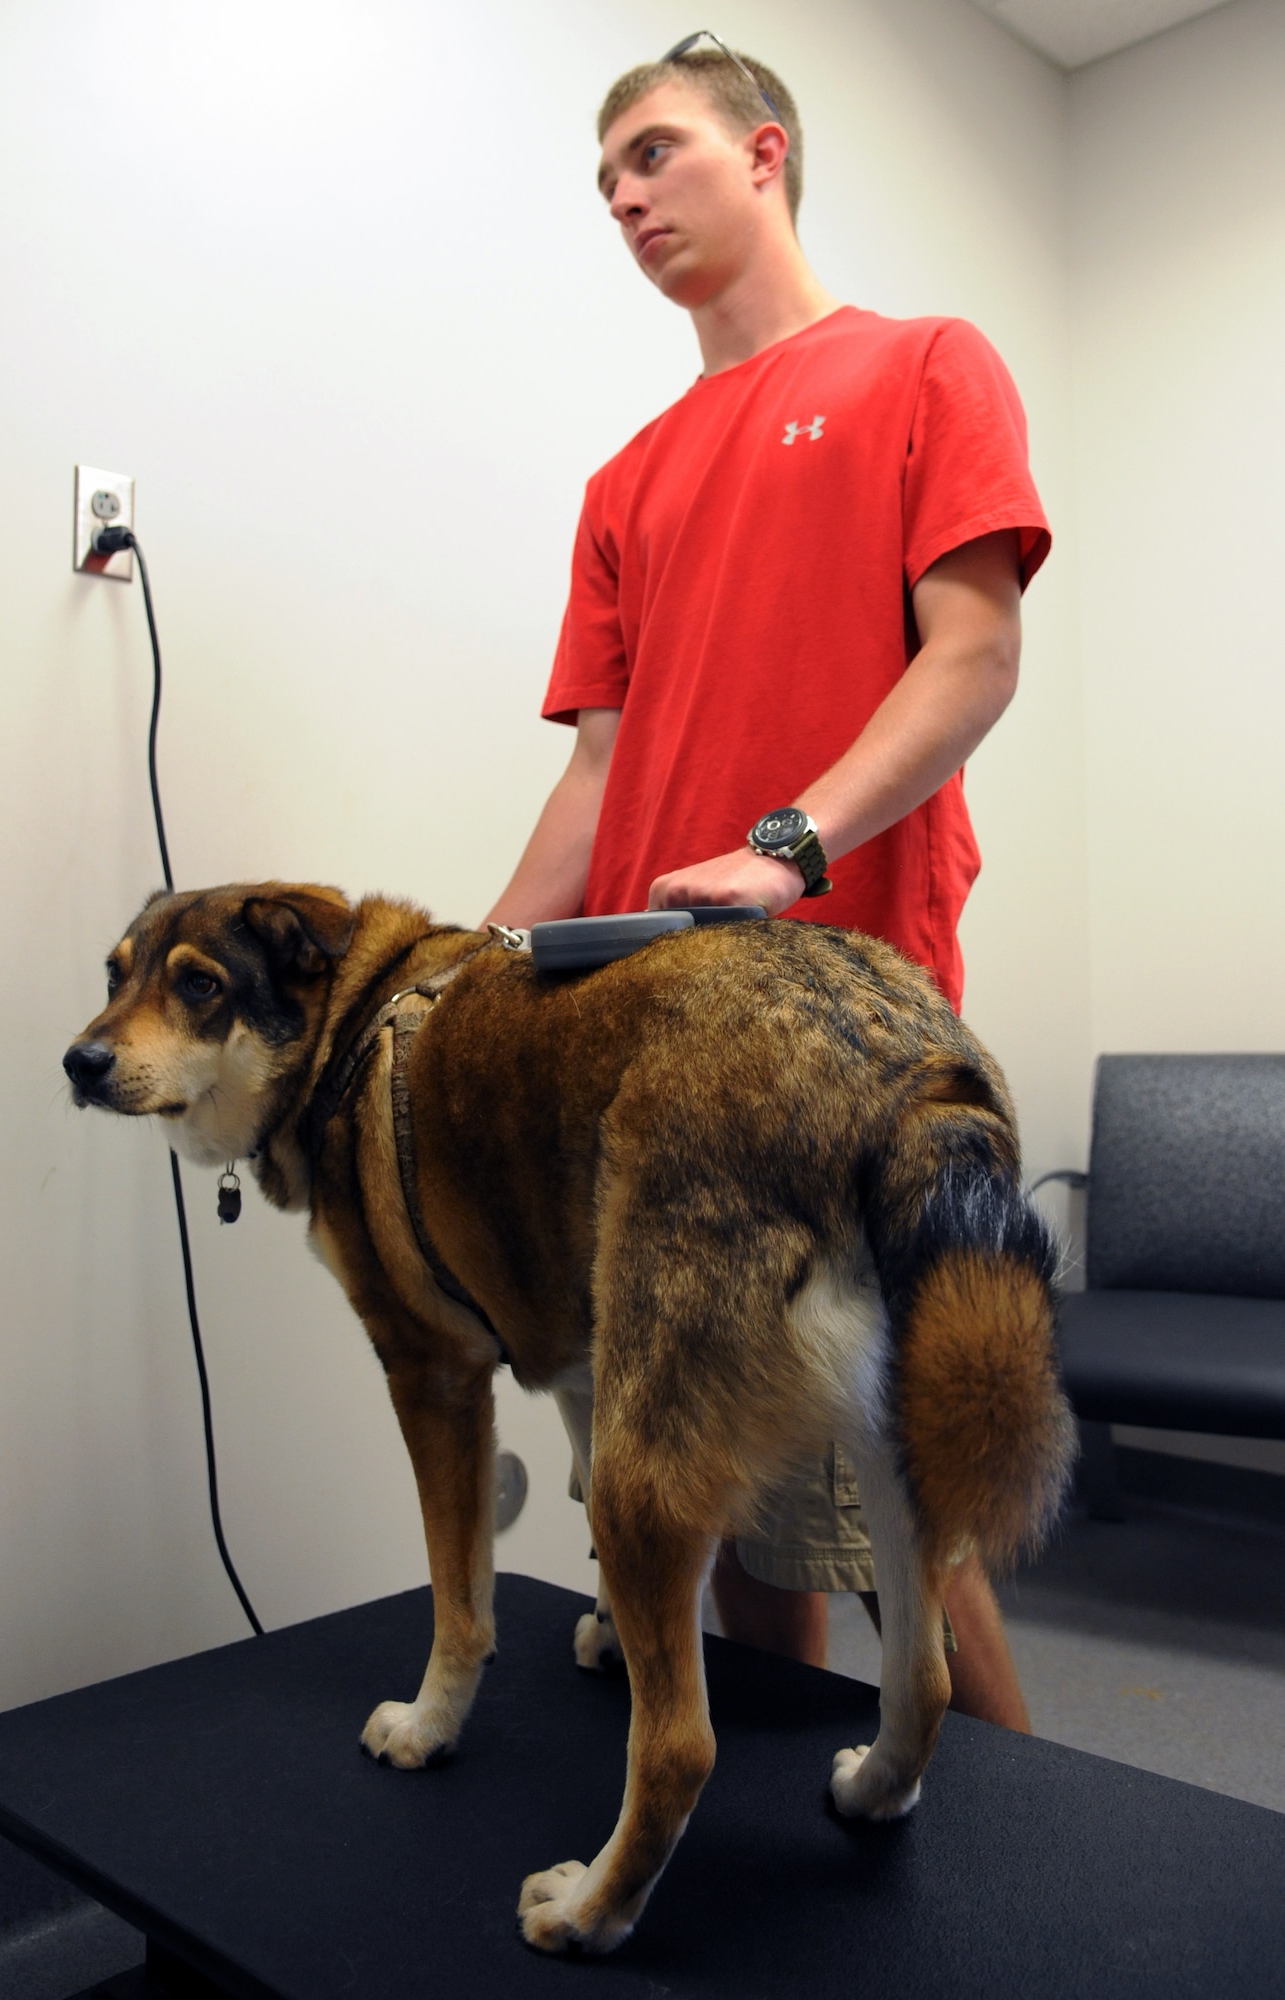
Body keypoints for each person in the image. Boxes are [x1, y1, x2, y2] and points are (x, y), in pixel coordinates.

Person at [484, 35, 1050, 1730]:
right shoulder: (625, 484)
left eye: (654, 154)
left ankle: (1057, 1886)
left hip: (837, 1033)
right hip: (651, 1045)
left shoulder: (924, 367)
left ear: (766, 152)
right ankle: (806, 1870)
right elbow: (597, 770)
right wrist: (467, 975)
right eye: (605, 183)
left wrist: (790, 842)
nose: (626, 198)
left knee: (889, 1515)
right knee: (727, 1501)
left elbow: (976, 656)